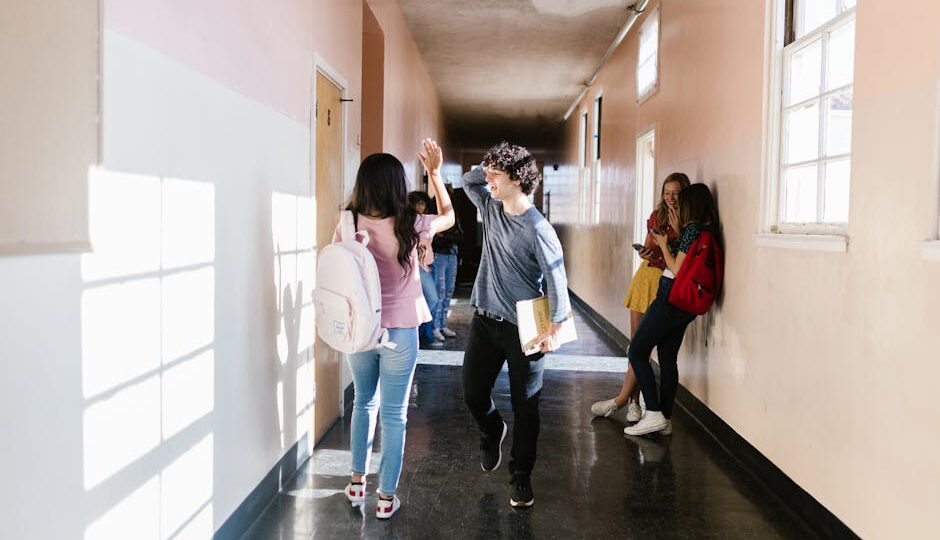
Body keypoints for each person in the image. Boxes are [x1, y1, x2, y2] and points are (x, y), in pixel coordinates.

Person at [340, 139, 454, 519]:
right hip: (400, 331)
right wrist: (435, 174)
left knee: (363, 403)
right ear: (396, 185)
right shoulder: (412, 223)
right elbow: (450, 216)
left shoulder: (347, 222)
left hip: (360, 329)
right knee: (394, 414)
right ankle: (386, 498)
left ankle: (357, 482)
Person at [461, 142, 571, 508]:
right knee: (474, 395)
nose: (488, 179)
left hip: (524, 329)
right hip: (484, 322)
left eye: (496, 173)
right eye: (489, 172)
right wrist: (490, 164)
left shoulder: (539, 229)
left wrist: (556, 326)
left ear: (518, 179)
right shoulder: (490, 209)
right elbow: (468, 180)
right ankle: (492, 430)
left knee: (527, 407)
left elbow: (557, 280)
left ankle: (520, 477)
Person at [591, 173, 690, 425]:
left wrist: (666, 246)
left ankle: (646, 408)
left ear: (684, 193)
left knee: (663, 353)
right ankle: (634, 403)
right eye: (666, 192)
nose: (670, 198)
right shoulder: (658, 215)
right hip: (646, 279)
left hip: (668, 286)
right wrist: (648, 251)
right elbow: (650, 253)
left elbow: (680, 261)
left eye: (675, 193)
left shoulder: (690, 222)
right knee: (637, 346)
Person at [623, 183, 720, 436]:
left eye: (682, 200)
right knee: (667, 359)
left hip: (670, 298)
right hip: (685, 305)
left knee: (637, 350)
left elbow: (677, 268)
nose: (677, 204)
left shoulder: (692, 230)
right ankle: (664, 418)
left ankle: (653, 412)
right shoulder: (706, 230)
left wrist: (665, 243)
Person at [407, 191, 443, 348]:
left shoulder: (427, 219)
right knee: (432, 298)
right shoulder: (406, 221)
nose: (421, 206)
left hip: (430, 263)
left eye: (423, 203)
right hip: (418, 266)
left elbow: (446, 219)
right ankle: (416, 327)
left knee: (430, 298)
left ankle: (422, 331)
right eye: (418, 203)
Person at [431, 184, 463, 339]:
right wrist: (446, 237)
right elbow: (434, 237)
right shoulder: (432, 209)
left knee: (449, 290)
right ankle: (435, 327)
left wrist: (446, 237)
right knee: (440, 291)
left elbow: (460, 236)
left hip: (452, 254)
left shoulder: (453, 212)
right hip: (439, 255)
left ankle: (443, 324)